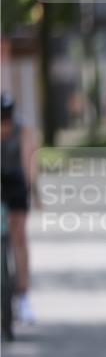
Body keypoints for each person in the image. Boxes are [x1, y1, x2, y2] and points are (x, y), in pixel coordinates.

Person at [1, 92, 37, 324]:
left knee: (19, 236)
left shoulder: (22, 130)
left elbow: (29, 161)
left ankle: (23, 296)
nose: (4, 125)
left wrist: (32, 189)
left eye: (7, 120)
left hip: (15, 181)